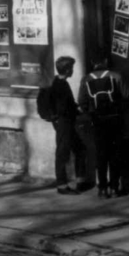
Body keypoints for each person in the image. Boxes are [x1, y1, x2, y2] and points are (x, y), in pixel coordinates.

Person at [43, 56, 94, 194]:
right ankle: (62, 185)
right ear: (66, 70)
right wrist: (76, 110)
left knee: (79, 149)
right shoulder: (60, 85)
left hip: (66, 122)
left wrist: (75, 108)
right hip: (64, 123)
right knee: (62, 153)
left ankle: (80, 180)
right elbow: (63, 107)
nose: (73, 70)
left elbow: (67, 104)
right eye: (71, 68)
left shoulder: (59, 83)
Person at [78, 57, 127, 197]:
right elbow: (126, 95)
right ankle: (115, 187)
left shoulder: (86, 80)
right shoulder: (116, 76)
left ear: (93, 63)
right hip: (115, 119)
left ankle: (102, 188)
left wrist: (90, 113)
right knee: (115, 153)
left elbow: (82, 102)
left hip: (97, 120)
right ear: (106, 61)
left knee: (101, 153)